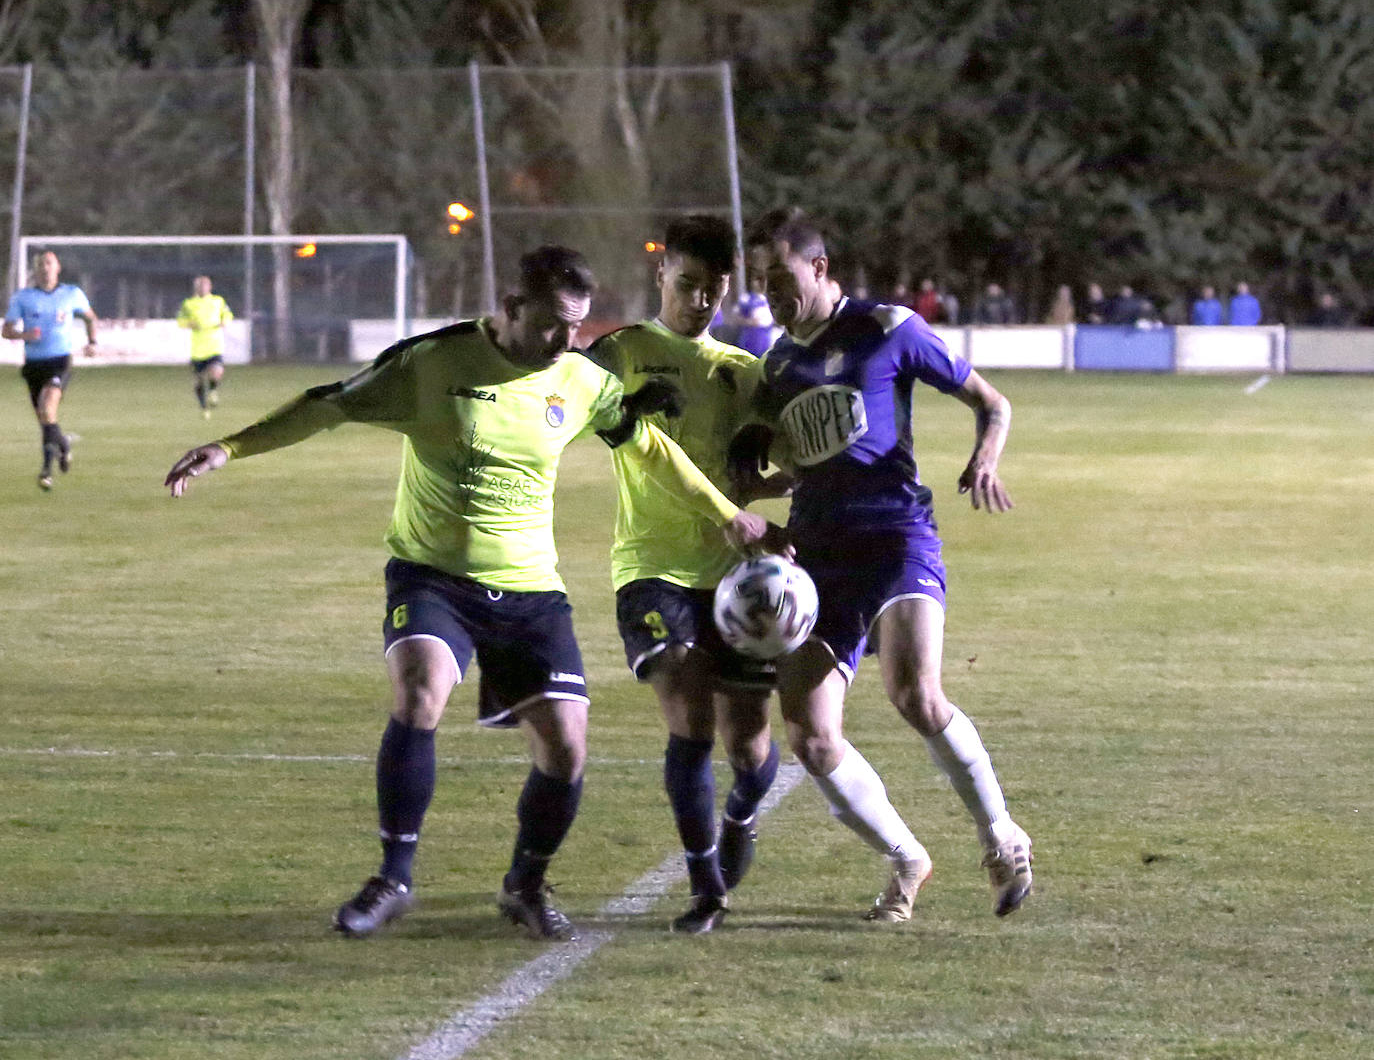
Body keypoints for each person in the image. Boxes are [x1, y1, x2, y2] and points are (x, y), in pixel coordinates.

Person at [165, 245, 774, 942]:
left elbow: (647, 446)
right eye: (552, 325)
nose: (566, 342)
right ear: (510, 308)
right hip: (433, 576)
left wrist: (728, 513)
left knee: (567, 749)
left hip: (530, 589)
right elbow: (326, 405)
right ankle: (393, 876)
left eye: (575, 327)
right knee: (421, 687)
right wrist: (231, 448)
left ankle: (525, 882)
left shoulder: (576, 377)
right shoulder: (431, 363)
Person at [734, 211, 1033, 922]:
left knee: (915, 693)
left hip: (897, 536)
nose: (771, 294)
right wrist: (752, 488)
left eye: (781, 278)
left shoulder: (887, 329)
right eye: (760, 283)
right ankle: (906, 857)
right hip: (819, 555)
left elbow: (991, 403)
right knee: (809, 735)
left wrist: (983, 458)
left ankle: (1002, 836)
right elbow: (805, 465)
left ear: (820, 267)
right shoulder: (777, 365)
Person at [586, 216, 789, 935]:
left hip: (736, 578)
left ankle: (739, 815)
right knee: (691, 718)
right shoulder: (618, 353)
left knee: (751, 745)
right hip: (651, 567)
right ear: (660, 276)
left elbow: (766, 468)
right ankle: (706, 883)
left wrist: (774, 502)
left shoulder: (743, 371)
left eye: (713, 288)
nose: (699, 300)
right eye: (687, 284)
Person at [2, 249, 98, 491]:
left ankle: (46, 472)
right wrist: (24, 334)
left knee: (47, 408)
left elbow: (90, 317)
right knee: (46, 420)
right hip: (34, 365)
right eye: (41, 264)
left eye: (49, 263)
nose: (45, 268)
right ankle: (63, 444)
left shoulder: (71, 294)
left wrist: (92, 342)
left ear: (57, 267)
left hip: (60, 362)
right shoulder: (23, 298)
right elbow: (6, 330)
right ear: (35, 269)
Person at [177, 275, 234, 418]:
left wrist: (224, 321)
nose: (202, 288)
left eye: (205, 286)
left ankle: (213, 391)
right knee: (199, 380)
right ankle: (204, 408)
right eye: (199, 286)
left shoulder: (218, 301)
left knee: (217, 372)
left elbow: (228, 314)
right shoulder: (189, 303)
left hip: (214, 345)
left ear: (209, 287)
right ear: (196, 288)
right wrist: (189, 324)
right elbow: (180, 321)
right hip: (198, 349)